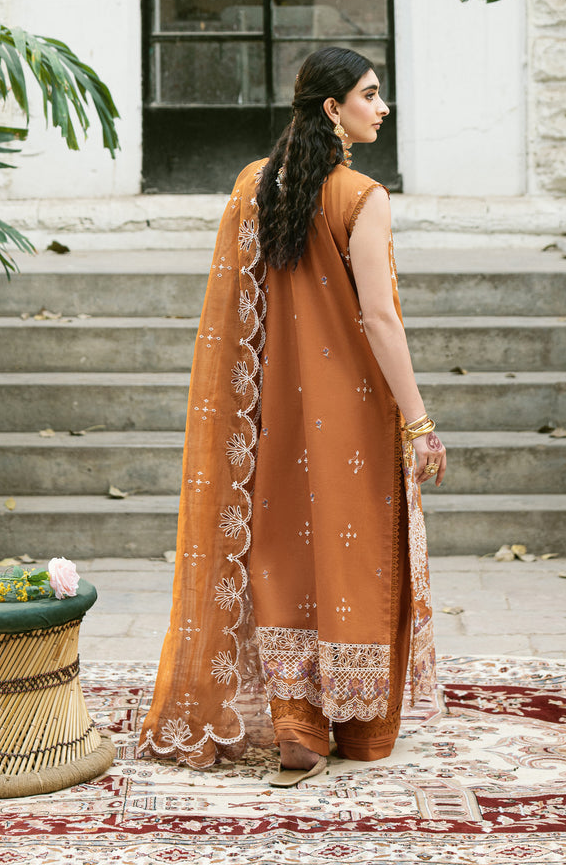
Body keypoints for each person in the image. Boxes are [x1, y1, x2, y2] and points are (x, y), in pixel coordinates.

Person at [138, 47, 447, 784]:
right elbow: (379, 318)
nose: (382, 108)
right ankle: (359, 730)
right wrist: (418, 421)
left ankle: (296, 727)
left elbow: (236, 314)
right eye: (369, 95)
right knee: (356, 556)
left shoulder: (254, 185)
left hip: (269, 411)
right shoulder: (364, 197)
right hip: (355, 414)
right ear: (332, 109)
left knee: (281, 554)